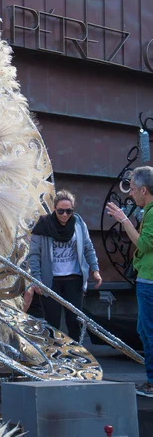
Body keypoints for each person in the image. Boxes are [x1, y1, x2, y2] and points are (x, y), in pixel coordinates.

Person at [28, 189, 102, 342]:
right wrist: (36, 278)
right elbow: (34, 255)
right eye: (60, 211)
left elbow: (88, 247)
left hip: (74, 279)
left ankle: (76, 356)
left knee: (74, 321)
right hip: (51, 281)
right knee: (52, 323)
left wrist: (95, 269)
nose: (64, 215)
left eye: (68, 211)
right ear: (54, 209)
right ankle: (53, 356)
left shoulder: (79, 224)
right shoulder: (43, 226)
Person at [106, 166, 153, 398]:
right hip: (147, 279)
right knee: (144, 330)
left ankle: (152, 383)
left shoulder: (152, 212)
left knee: (148, 332)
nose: (131, 194)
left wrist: (124, 220)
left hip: (150, 282)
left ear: (144, 190)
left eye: (133, 189)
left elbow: (144, 245)